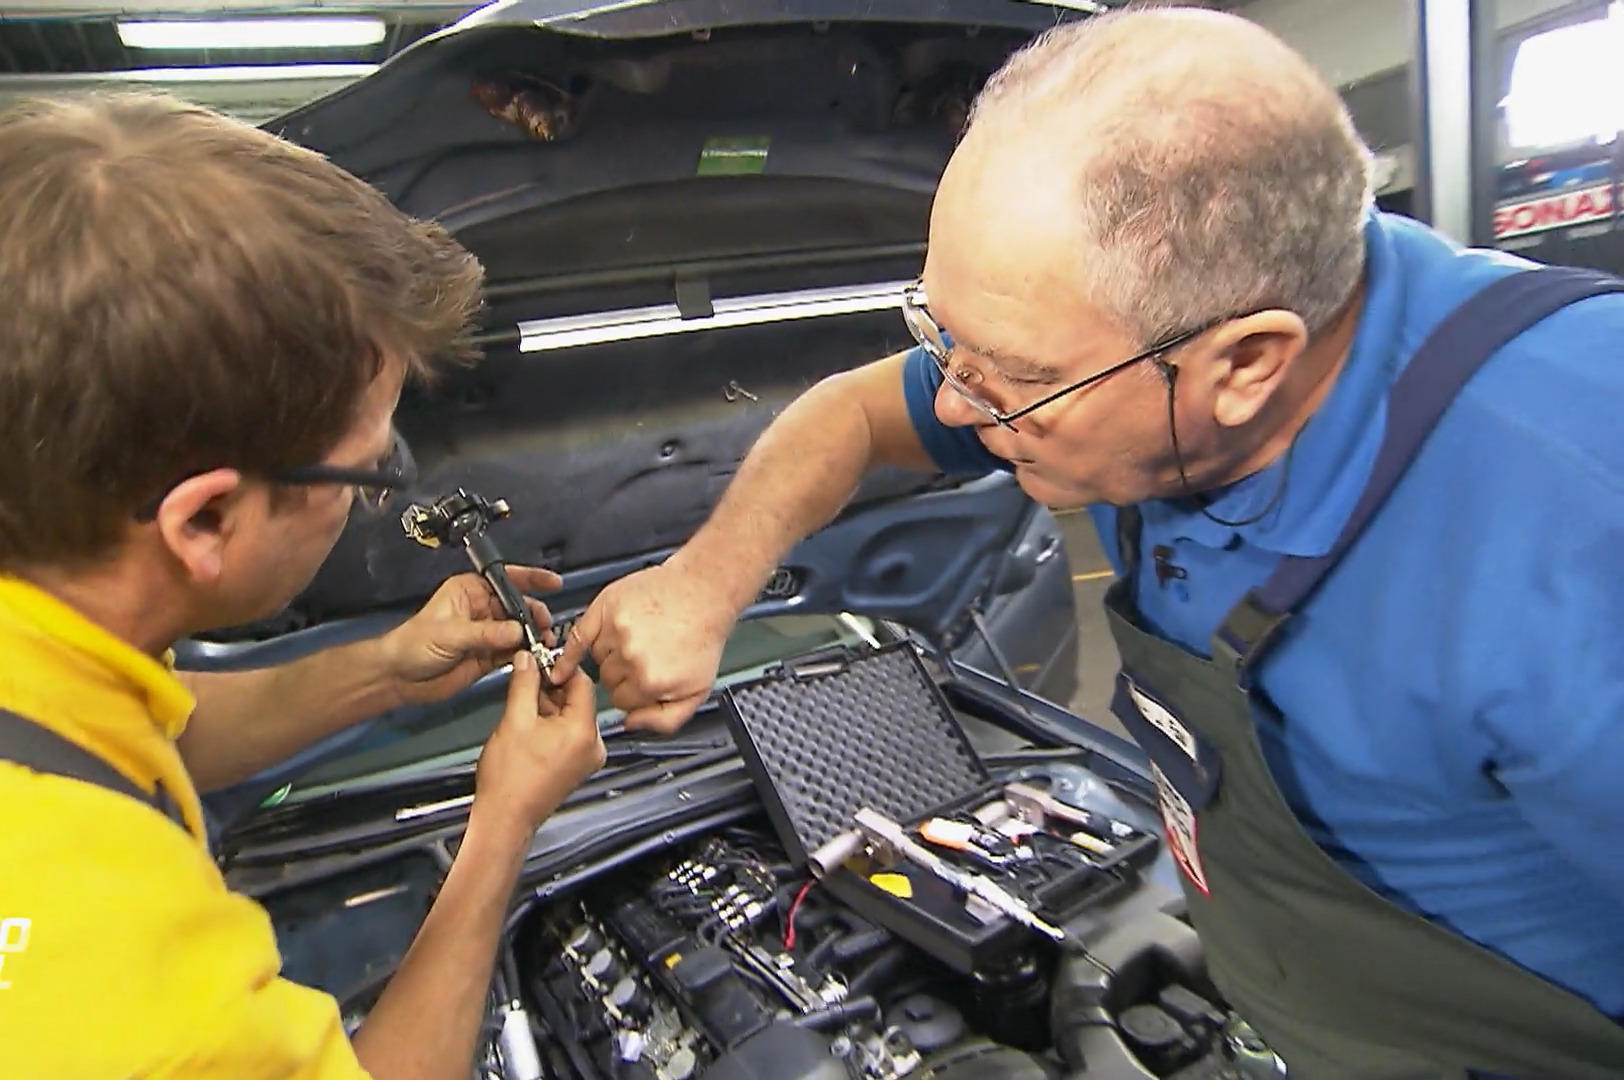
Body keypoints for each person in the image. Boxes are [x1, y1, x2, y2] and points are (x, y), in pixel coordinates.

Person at [553, 7, 1624, 1078]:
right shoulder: (1131, 328)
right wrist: (703, 582)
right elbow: (857, 413)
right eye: (944, 338)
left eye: (1011, 378)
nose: (958, 403)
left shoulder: (1575, 537)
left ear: (1247, 364)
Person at [0, 93, 604, 1078]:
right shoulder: (113, 982)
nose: (376, 492)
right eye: (371, 466)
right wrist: (504, 823)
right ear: (203, 521)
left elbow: (114, 732)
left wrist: (389, 670)